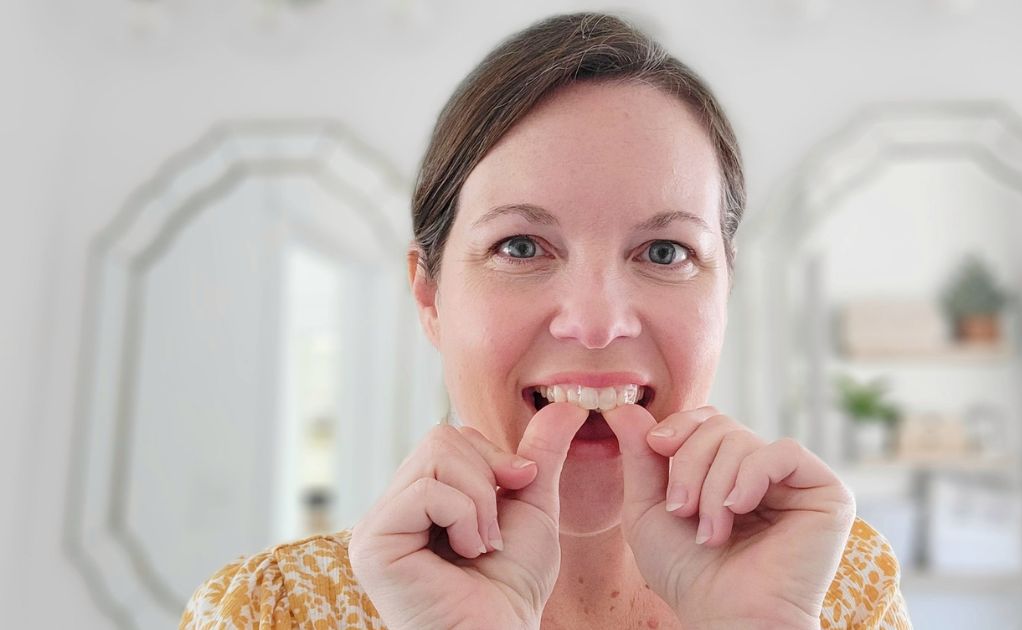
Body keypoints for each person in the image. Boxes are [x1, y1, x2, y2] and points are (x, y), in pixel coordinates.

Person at [181, 12, 910, 629]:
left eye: (664, 250)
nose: (597, 324)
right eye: (520, 246)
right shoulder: (266, 613)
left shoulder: (837, 596)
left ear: (726, 291)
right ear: (428, 296)